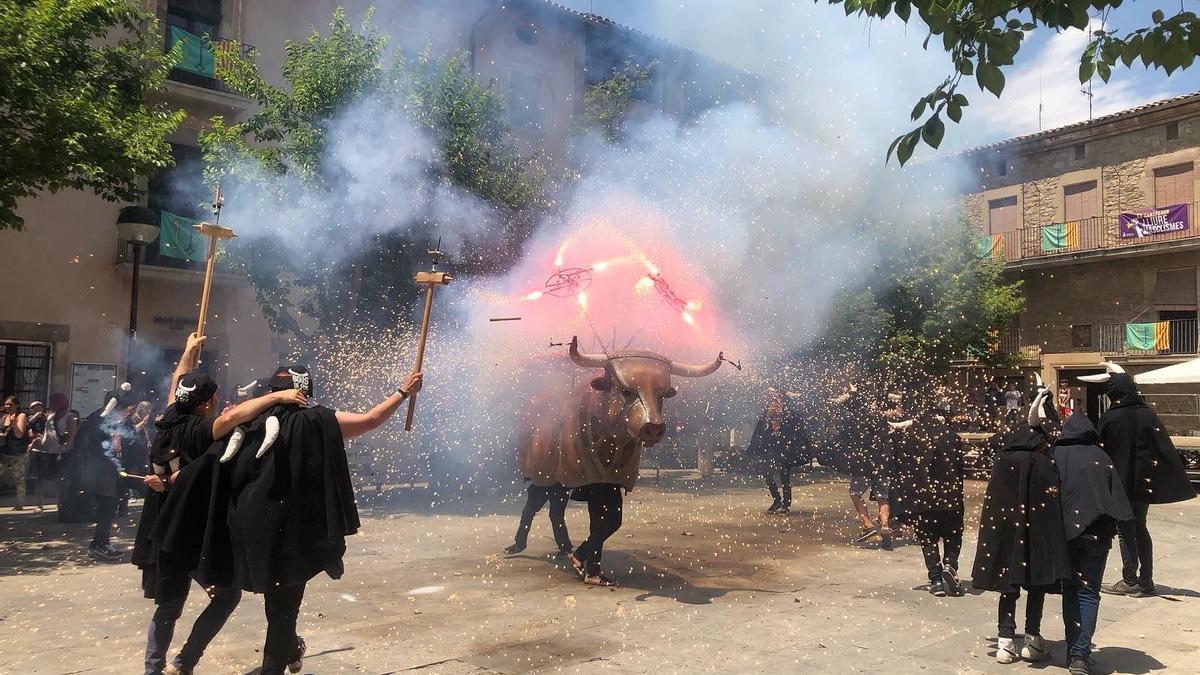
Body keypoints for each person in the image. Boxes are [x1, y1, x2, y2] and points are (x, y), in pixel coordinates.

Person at [212, 364, 423, 675]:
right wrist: (403, 392)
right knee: (283, 607)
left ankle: (288, 650)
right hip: (290, 533)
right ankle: (277, 662)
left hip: (252, 529)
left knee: (279, 603)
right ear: (305, 391)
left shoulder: (251, 418)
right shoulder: (316, 418)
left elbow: (225, 420)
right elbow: (370, 420)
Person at [134, 333, 309, 675]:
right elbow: (235, 417)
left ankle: (153, 670)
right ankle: (184, 662)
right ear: (208, 402)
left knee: (168, 605)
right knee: (226, 596)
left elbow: (176, 385)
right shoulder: (203, 431)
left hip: (161, 528)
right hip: (196, 529)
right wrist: (282, 395)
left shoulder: (167, 419)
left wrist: (187, 353)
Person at [1091, 370, 1196, 598]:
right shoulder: (1148, 414)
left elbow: (1100, 451)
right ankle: (1146, 580)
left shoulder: (1110, 418)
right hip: (1144, 485)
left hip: (1121, 485)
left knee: (1125, 529)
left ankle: (1130, 579)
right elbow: (1162, 448)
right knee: (1140, 527)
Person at [971, 428, 1070, 665]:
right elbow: (1053, 498)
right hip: (1036, 532)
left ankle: (1005, 640)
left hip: (1005, 533)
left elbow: (993, 502)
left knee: (1008, 586)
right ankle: (1032, 638)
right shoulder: (1043, 461)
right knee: (1036, 585)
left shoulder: (1002, 460)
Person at [1052, 413, 1134, 675]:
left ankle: (1072, 648)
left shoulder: (1056, 456)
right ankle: (1080, 654)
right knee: (1088, 593)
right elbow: (1118, 502)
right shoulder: (1102, 457)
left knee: (1070, 590)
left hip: (1066, 535)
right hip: (1096, 535)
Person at [892, 405, 966, 597]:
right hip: (951, 497)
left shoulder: (911, 439)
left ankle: (936, 580)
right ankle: (950, 565)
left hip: (922, 499)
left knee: (928, 538)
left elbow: (903, 471)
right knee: (953, 534)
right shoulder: (952, 437)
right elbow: (959, 470)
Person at [72, 384, 144, 561]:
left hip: (116, 472)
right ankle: (99, 544)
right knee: (107, 506)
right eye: (127, 409)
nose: (129, 412)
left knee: (110, 507)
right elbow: (83, 445)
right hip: (99, 471)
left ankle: (101, 542)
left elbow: (132, 442)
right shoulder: (96, 420)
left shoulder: (125, 421)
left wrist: (135, 463)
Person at [834, 385, 894, 549]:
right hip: (882, 464)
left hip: (863, 464)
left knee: (855, 493)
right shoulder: (880, 418)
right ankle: (885, 526)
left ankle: (867, 524)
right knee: (883, 497)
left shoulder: (854, 419)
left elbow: (844, 436)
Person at [746, 387, 810, 514]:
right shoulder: (769, 410)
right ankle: (777, 500)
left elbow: (794, 429)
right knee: (767, 474)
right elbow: (762, 429)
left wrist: (789, 441)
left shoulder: (789, 412)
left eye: (776, 395)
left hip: (785, 448)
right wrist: (768, 417)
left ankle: (786, 504)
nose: (774, 398)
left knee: (784, 476)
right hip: (770, 447)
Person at [504, 482, 573, 557]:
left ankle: (565, 547)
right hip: (550, 483)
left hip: (552, 483)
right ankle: (565, 546)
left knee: (554, 516)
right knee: (530, 513)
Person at [27, 397, 70, 511]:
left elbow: (70, 434)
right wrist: (36, 441)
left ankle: (59, 503)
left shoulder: (68, 417)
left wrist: (64, 447)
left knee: (58, 478)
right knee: (40, 478)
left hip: (57, 451)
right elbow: (35, 428)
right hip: (43, 450)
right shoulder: (47, 415)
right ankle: (39, 503)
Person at [1, 394, 30, 510]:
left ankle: (19, 503)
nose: (7, 406)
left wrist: (13, 423)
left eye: (10, 404)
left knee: (19, 478)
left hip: (17, 453)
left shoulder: (21, 416)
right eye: (6, 404)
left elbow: (19, 434)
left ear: (17, 405)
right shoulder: (5, 417)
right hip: (4, 451)